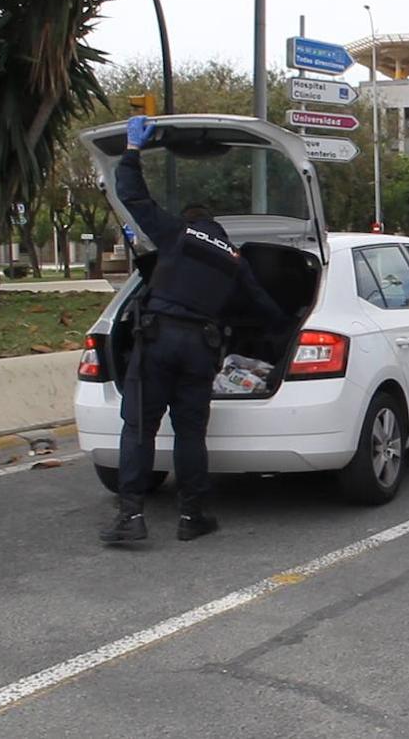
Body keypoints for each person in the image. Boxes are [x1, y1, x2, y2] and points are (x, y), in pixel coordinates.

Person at [100, 115, 287, 544]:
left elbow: (133, 196)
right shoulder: (235, 261)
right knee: (190, 433)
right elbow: (266, 311)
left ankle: (131, 517)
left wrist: (131, 152)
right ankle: (193, 515)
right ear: (218, 227)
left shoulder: (178, 234)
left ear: (190, 218)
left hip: (158, 339)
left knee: (139, 429)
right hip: (201, 350)